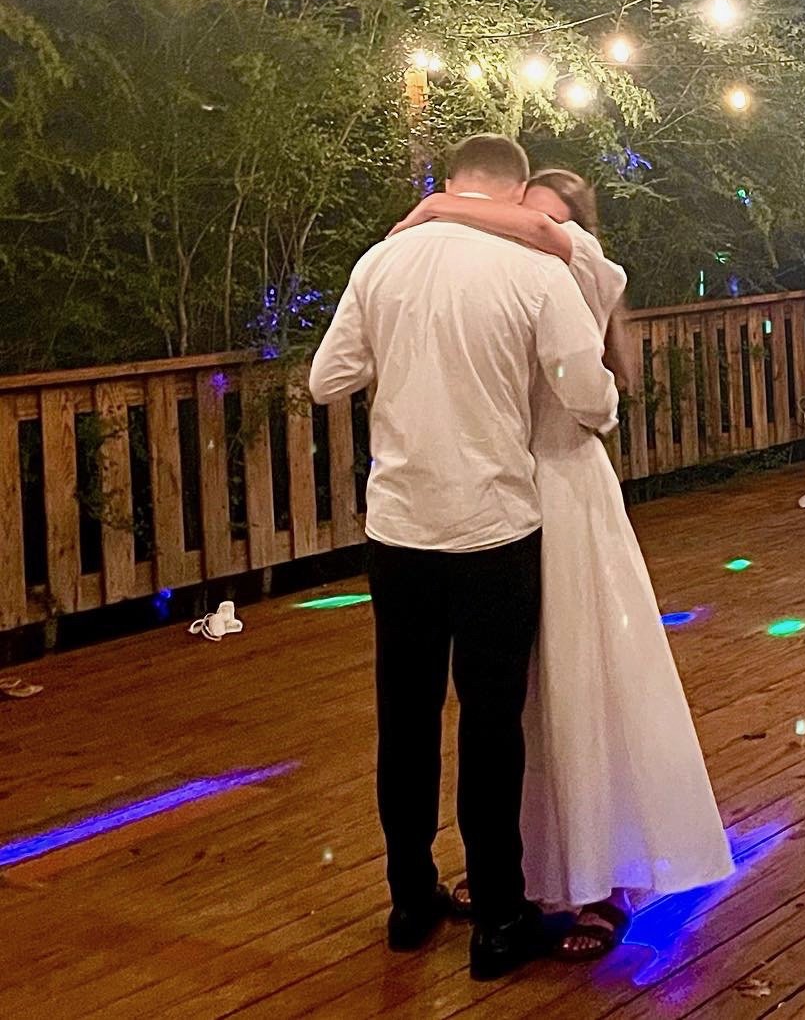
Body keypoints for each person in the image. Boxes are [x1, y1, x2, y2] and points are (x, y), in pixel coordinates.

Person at [390, 169, 735, 961]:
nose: (524, 229)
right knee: (507, 699)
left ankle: (605, 879)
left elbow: (585, 386)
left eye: (541, 219)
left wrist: (439, 202)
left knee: (581, 681)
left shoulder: (576, 265)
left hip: (566, 498)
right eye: (519, 216)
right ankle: (516, 867)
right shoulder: (501, 282)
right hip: (496, 497)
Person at [309, 135, 619, 980]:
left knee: (403, 720)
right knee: (492, 726)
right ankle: (499, 918)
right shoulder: (534, 274)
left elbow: (326, 379)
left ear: (448, 184)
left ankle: (410, 900)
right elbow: (587, 393)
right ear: (517, 192)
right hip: (493, 527)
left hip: (399, 530)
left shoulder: (384, 262)